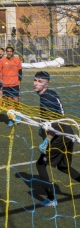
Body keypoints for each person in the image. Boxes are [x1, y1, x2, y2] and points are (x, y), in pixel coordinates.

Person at [33, 71, 80, 208]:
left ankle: (51, 199)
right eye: (35, 80)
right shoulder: (50, 93)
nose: (36, 83)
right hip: (67, 132)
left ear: (47, 84)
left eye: (40, 81)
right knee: (64, 166)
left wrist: (47, 140)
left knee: (40, 164)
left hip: (59, 134)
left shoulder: (46, 98)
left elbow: (54, 122)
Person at [0, 46, 22, 126]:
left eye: (10, 51)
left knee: (16, 101)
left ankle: (18, 116)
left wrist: (19, 83)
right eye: (8, 51)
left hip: (15, 84)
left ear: (13, 52)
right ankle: (10, 119)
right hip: (6, 85)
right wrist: (1, 81)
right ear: (6, 52)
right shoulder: (2, 61)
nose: (9, 52)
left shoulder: (17, 60)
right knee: (9, 103)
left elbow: (20, 72)